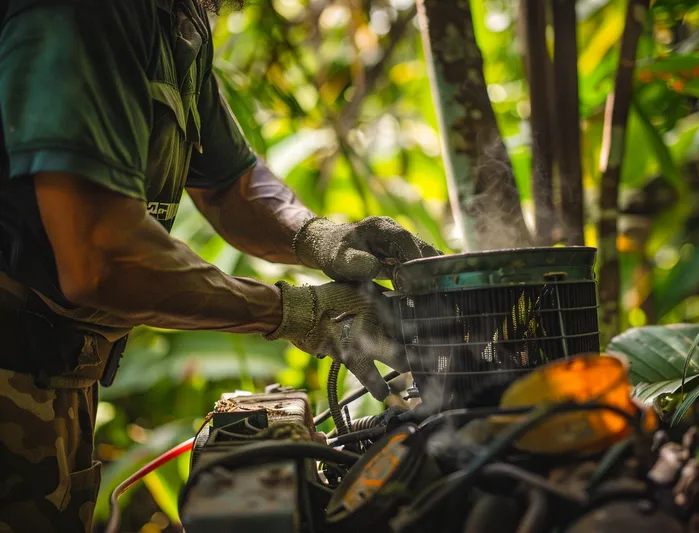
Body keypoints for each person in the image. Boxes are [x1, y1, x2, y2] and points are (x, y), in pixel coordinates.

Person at [0, 0, 440, 530]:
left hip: (59, 385)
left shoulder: (172, 21)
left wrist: (319, 236)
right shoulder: (83, 15)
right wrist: (301, 311)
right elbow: (101, 258)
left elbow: (232, 183)